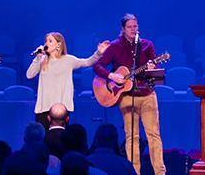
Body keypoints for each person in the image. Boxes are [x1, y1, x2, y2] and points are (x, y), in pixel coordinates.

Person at [92, 14, 165, 175]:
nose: (133, 29)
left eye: (135, 26)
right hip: (126, 97)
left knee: (154, 135)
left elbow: (155, 70)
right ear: (123, 29)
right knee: (132, 136)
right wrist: (111, 76)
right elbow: (98, 66)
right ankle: (134, 172)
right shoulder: (115, 46)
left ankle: (160, 172)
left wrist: (152, 67)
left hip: (147, 95)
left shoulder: (147, 45)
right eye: (130, 27)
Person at [27, 32, 109, 125]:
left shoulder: (68, 60)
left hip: (61, 109)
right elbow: (29, 75)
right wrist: (37, 58)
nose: (46, 44)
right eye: (46, 41)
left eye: (50, 41)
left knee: (60, 137)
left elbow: (87, 62)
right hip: (44, 108)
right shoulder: (42, 61)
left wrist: (98, 53)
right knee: (43, 137)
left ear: (59, 44)